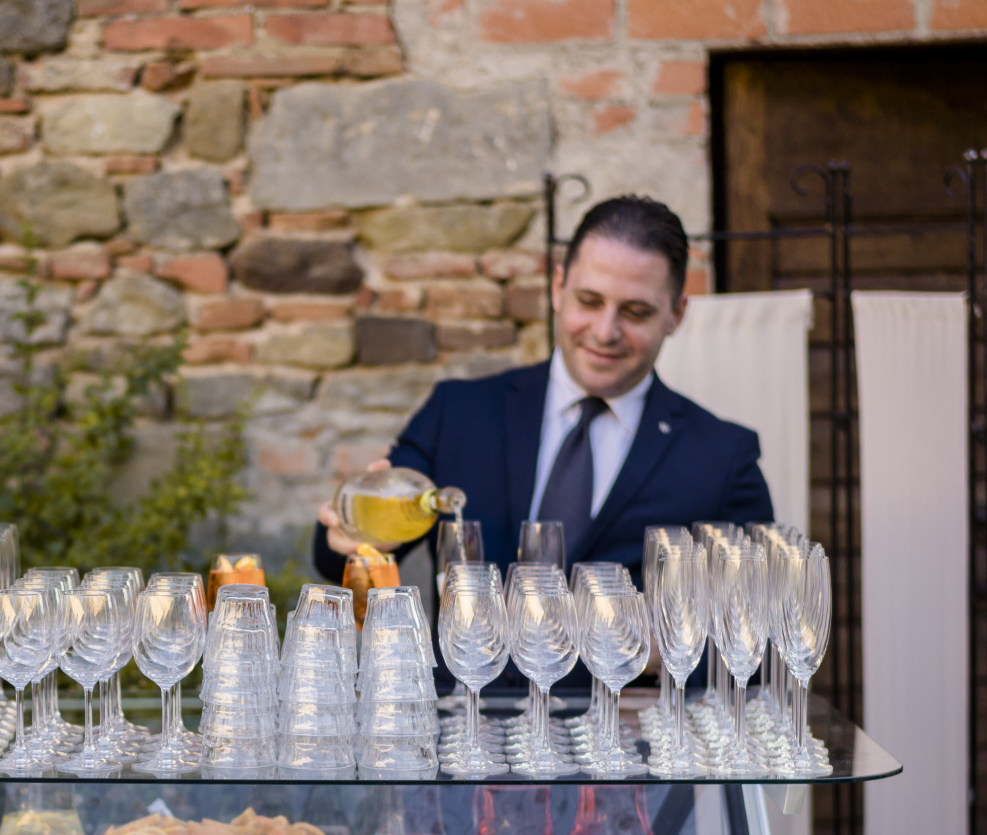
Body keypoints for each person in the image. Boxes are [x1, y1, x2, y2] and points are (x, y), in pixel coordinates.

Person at [314, 194, 773, 586]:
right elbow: (339, 561)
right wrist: (350, 540)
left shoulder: (723, 458)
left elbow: (757, 639)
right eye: (588, 302)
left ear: (676, 314)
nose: (605, 331)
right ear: (557, 288)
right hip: (468, 692)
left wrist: (661, 656)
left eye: (635, 312)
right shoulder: (458, 413)